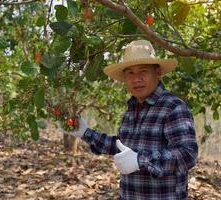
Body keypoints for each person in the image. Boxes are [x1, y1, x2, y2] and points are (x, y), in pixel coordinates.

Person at [59, 40, 198, 199]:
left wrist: (141, 160)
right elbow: (121, 146)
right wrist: (85, 132)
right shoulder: (133, 108)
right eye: (130, 73)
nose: (136, 78)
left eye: (143, 71)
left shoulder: (173, 108)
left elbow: (188, 154)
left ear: (157, 72)